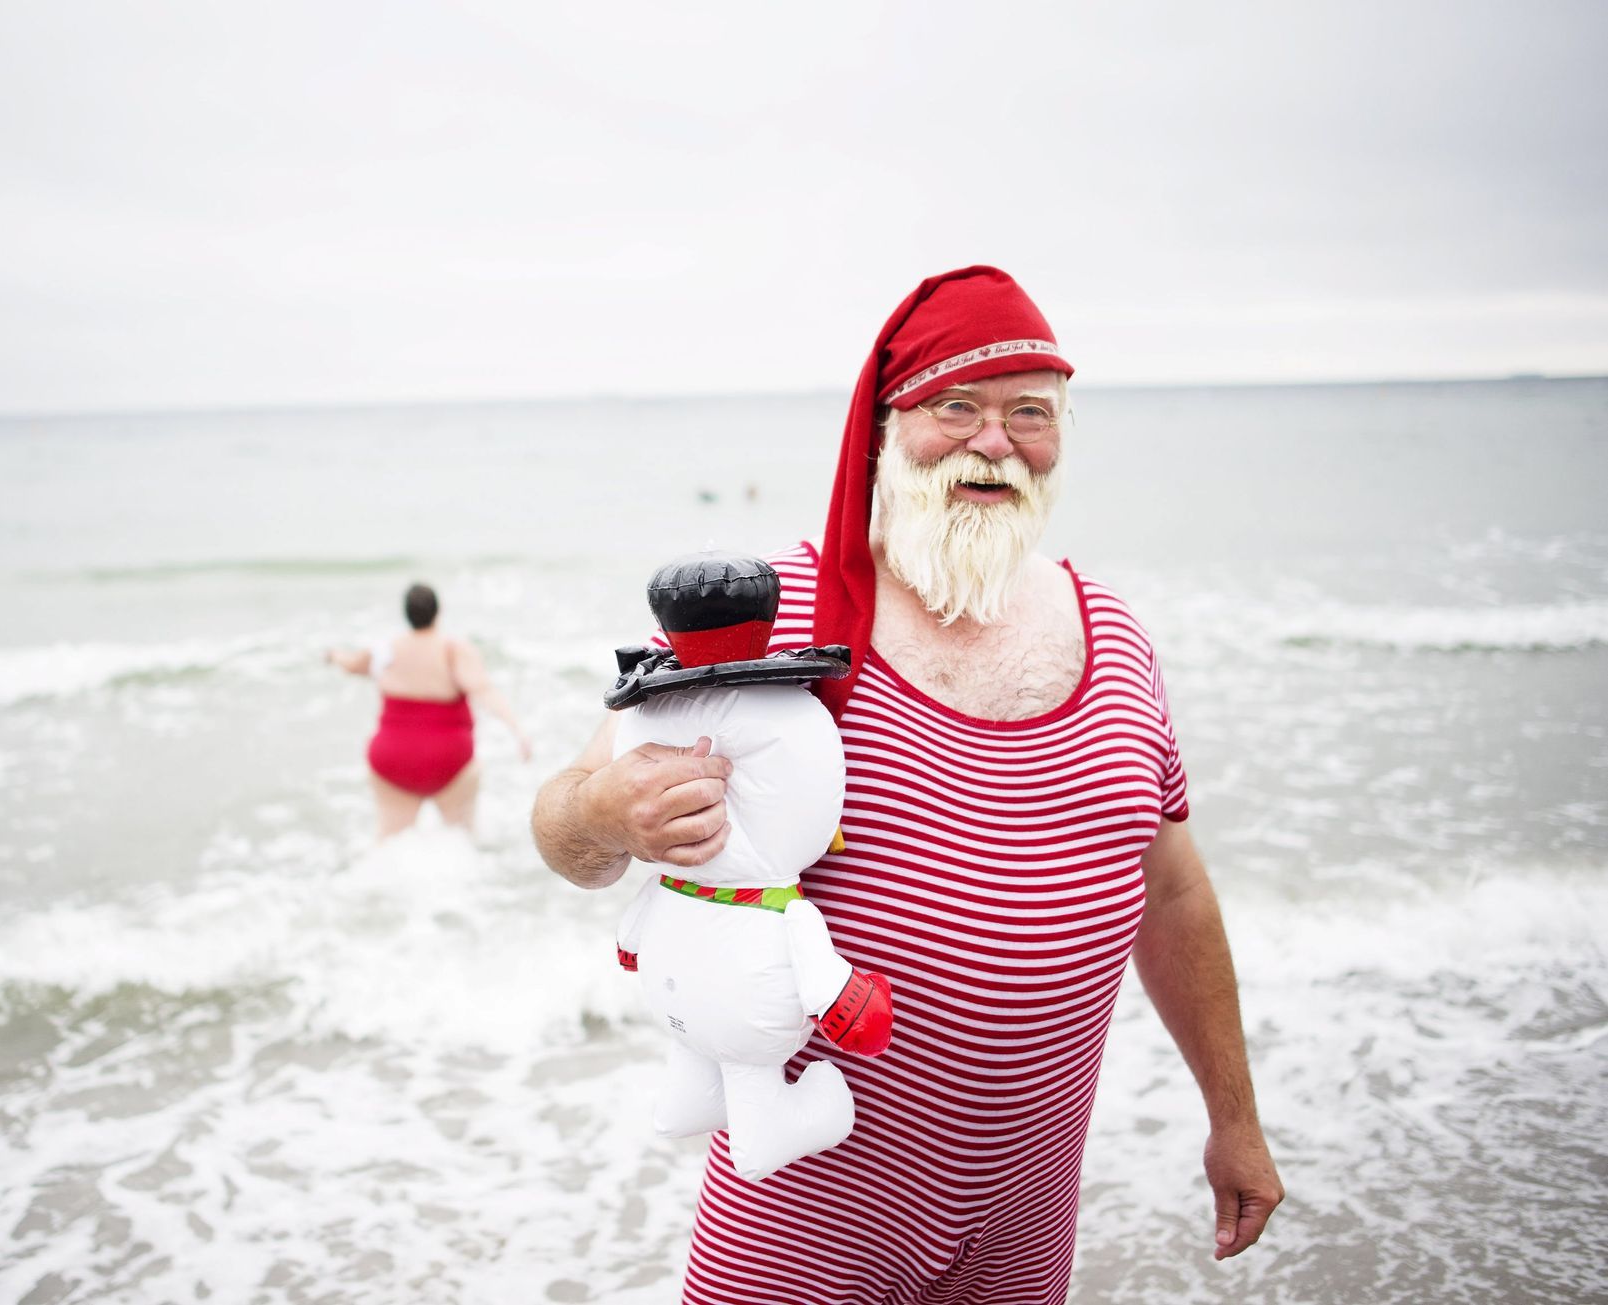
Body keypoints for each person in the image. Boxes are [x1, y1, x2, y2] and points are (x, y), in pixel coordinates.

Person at [531, 267, 1282, 1304]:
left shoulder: (1113, 636)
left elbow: (1172, 893)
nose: (993, 442)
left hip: (1024, 1222)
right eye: (954, 408)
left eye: (1030, 413)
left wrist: (1233, 1120)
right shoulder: (775, 612)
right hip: (805, 1219)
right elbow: (562, 824)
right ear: (885, 428)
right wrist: (608, 812)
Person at [328, 582, 531, 838]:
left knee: (388, 841)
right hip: (448, 760)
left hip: (392, 759)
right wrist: (517, 731)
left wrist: (334, 655)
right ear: (438, 612)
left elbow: (351, 665)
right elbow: (484, 691)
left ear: (406, 614)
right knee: (463, 839)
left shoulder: (385, 650)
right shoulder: (453, 650)